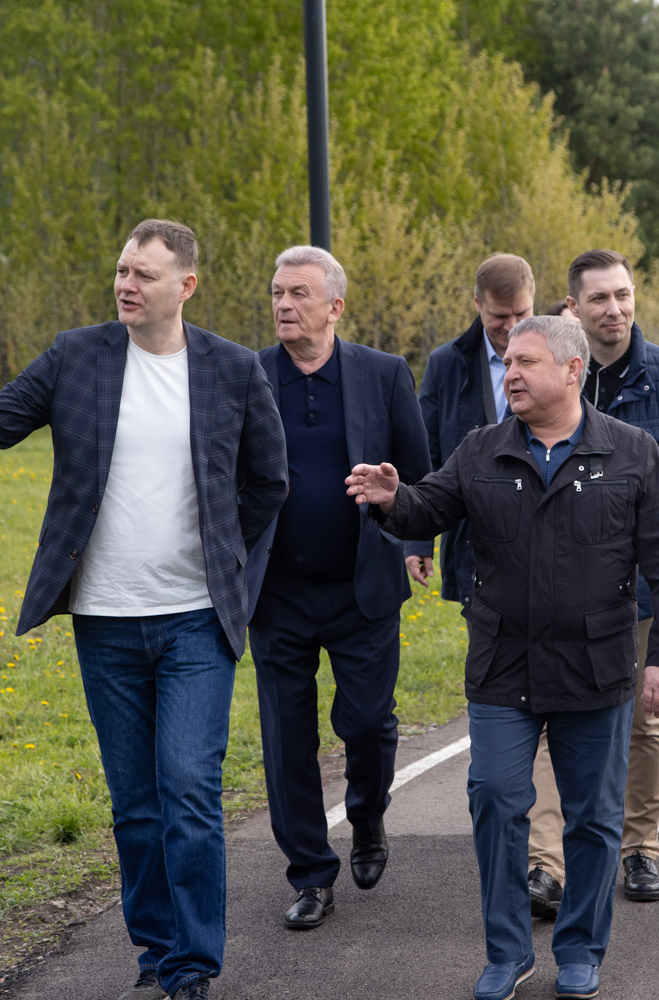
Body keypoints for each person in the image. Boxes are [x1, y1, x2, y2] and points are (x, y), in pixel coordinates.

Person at [0, 220, 288, 1000]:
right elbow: (4, 412)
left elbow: (268, 482)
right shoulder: (77, 356)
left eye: (143, 274)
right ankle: (156, 955)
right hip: (106, 620)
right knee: (136, 805)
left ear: (185, 286)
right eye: (120, 269)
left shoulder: (232, 368)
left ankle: (192, 966)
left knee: (188, 788)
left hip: (195, 619)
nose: (125, 284)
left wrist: (223, 555)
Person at [344, 315, 659, 1000]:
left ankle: (581, 950)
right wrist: (393, 502)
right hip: (503, 666)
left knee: (593, 818)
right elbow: (429, 507)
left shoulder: (630, 452)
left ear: (571, 370)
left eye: (526, 362)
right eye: (507, 362)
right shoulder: (482, 449)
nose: (510, 374)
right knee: (496, 800)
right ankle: (507, 953)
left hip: (596, 669)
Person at [524, 249, 659, 913]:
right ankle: (545, 866)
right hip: (556, 590)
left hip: (643, 589)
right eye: (599, 300)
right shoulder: (548, 378)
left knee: (644, 724)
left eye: (623, 295)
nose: (614, 310)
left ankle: (640, 850)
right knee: (551, 727)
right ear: (572, 308)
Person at [244, 245, 431, 931]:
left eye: (298, 293)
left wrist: (415, 541)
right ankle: (310, 875)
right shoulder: (250, 375)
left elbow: (416, 470)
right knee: (286, 738)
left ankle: (368, 816)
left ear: (335, 305)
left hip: (364, 587)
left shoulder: (383, 375)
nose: (284, 305)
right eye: (276, 293)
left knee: (368, 724)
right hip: (278, 593)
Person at [405, 254, 535, 606]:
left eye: (521, 315)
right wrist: (418, 539)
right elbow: (425, 452)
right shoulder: (444, 364)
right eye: (499, 316)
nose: (511, 326)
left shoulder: (558, 361)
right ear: (477, 304)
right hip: (471, 540)